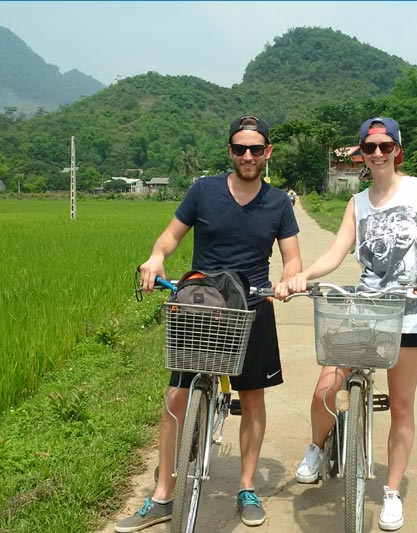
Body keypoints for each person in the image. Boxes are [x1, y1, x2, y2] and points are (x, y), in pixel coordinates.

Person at [116, 115, 301, 532]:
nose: (248, 155)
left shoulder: (278, 203)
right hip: (203, 302)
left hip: (252, 304)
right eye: (240, 148)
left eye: (256, 149)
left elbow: (291, 256)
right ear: (230, 152)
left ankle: (247, 487)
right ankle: (164, 495)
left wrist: (290, 279)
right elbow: (170, 236)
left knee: (252, 398)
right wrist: (156, 257)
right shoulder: (203, 190)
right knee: (176, 397)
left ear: (267, 152)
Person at [287, 117, 417, 531]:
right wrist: (304, 276)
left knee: (402, 403)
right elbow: (338, 251)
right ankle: (316, 448)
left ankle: (392, 493)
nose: (378, 153)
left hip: (412, 309)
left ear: (398, 150)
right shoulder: (357, 203)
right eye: (370, 147)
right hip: (367, 307)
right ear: (360, 152)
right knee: (327, 384)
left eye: (386, 145)